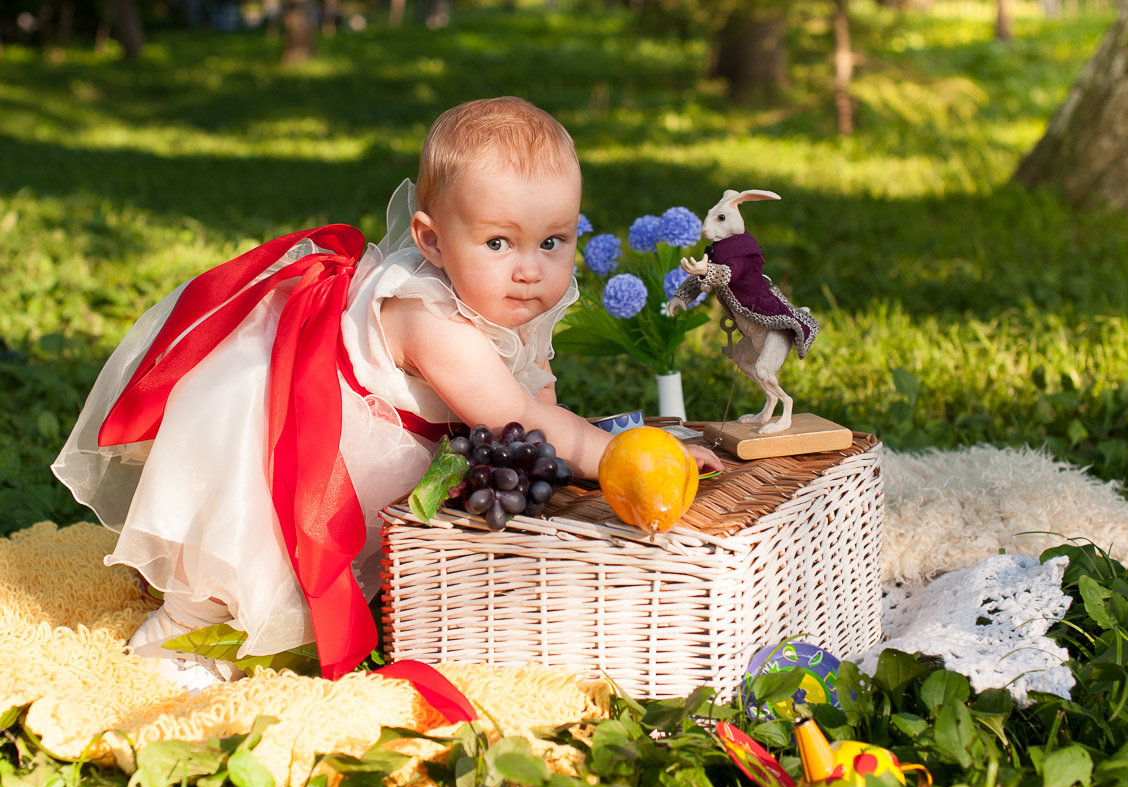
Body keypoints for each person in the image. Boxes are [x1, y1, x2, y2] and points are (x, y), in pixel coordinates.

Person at [52, 96, 722, 694]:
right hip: (279, 436)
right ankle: (173, 647)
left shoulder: (508, 291)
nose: (529, 270)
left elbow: (535, 387)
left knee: (343, 569)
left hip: (371, 430)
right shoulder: (430, 319)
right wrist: (628, 455)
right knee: (241, 566)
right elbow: (517, 417)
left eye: (553, 241)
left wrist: (569, 425)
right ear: (431, 239)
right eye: (498, 242)